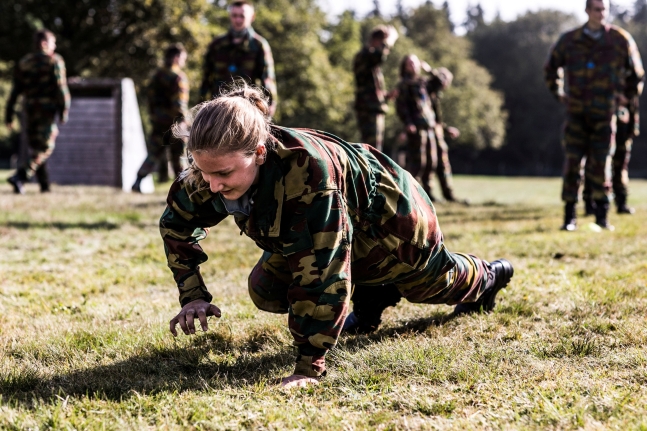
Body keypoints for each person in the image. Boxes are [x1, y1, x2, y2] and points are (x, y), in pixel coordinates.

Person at [160, 85, 514, 388]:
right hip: (339, 225)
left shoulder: (309, 178)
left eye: (223, 173)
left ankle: (489, 275)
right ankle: (374, 292)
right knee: (265, 289)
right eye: (204, 171)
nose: (213, 184)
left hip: (389, 216)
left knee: (431, 285)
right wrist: (193, 296)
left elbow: (324, 275)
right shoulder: (209, 167)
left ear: (260, 154)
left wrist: (307, 368)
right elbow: (176, 224)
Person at [544, 0, 644, 231]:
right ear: (587, 11)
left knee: (602, 164)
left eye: (604, 9)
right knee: (572, 164)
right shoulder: (570, 40)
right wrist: (559, 93)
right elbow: (550, 68)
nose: (601, 14)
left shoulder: (620, 40)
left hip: (605, 114)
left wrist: (626, 97)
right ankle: (570, 217)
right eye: (596, 9)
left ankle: (602, 215)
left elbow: (637, 74)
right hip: (577, 113)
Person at [5, 28, 70, 194]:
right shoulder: (54, 61)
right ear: (44, 43)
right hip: (46, 112)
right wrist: (64, 110)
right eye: (52, 43)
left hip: (29, 110)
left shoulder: (24, 62)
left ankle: (44, 186)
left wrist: (9, 115)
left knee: (36, 148)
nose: (54, 47)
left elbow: (15, 91)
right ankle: (20, 176)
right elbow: (61, 89)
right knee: (45, 148)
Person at [199, 0, 277, 116]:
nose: (238, 20)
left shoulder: (259, 45)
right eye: (234, 16)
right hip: (217, 108)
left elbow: (267, 79)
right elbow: (206, 78)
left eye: (242, 16)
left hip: (247, 110)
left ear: (252, 17)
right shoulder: (217, 45)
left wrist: (270, 105)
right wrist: (201, 106)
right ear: (230, 17)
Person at [132, 43, 189, 192]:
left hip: (158, 122)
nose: (183, 61)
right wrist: (184, 121)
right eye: (182, 58)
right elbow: (179, 104)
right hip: (175, 124)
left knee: (153, 154)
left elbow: (149, 100)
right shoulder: (178, 77)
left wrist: (154, 117)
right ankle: (182, 189)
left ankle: (138, 181)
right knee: (179, 157)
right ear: (176, 57)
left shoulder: (156, 76)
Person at [582, 97, 641, 215]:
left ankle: (621, 202)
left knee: (621, 165)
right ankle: (590, 202)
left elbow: (632, 100)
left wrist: (633, 126)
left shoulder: (630, 84)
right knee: (596, 163)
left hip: (623, 124)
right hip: (602, 121)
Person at [394, 54, 439, 200]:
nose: (412, 66)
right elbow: (401, 107)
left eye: (414, 63)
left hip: (429, 127)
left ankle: (428, 193)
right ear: (405, 67)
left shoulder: (423, 82)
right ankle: (411, 193)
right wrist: (408, 124)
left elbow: (439, 83)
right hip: (416, 128)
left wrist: (430, 70)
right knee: (418, 162)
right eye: (409, 63)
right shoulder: (403, 85)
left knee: (432, 161)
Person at [352, 25, 398, 152]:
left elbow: (369, 87)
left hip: (373, 108)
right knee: (372, 150)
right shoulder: (364, 56)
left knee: (374, 148)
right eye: (382, 42)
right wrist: (391, 39)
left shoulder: (370, 60)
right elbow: (379, 56)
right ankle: (368, 172)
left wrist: (386, 95)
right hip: (368, 109)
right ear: (376, 40)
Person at [427, 67, 467, 204]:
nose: (445, 84)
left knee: (442, 164)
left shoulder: (435, 95)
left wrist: (445, 129)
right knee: (429, 164)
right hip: (427, 135)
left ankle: (449, 195)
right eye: (444, 80)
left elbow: (434, 119)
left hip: (437, 134)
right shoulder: (426, 89)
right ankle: (428, 195)